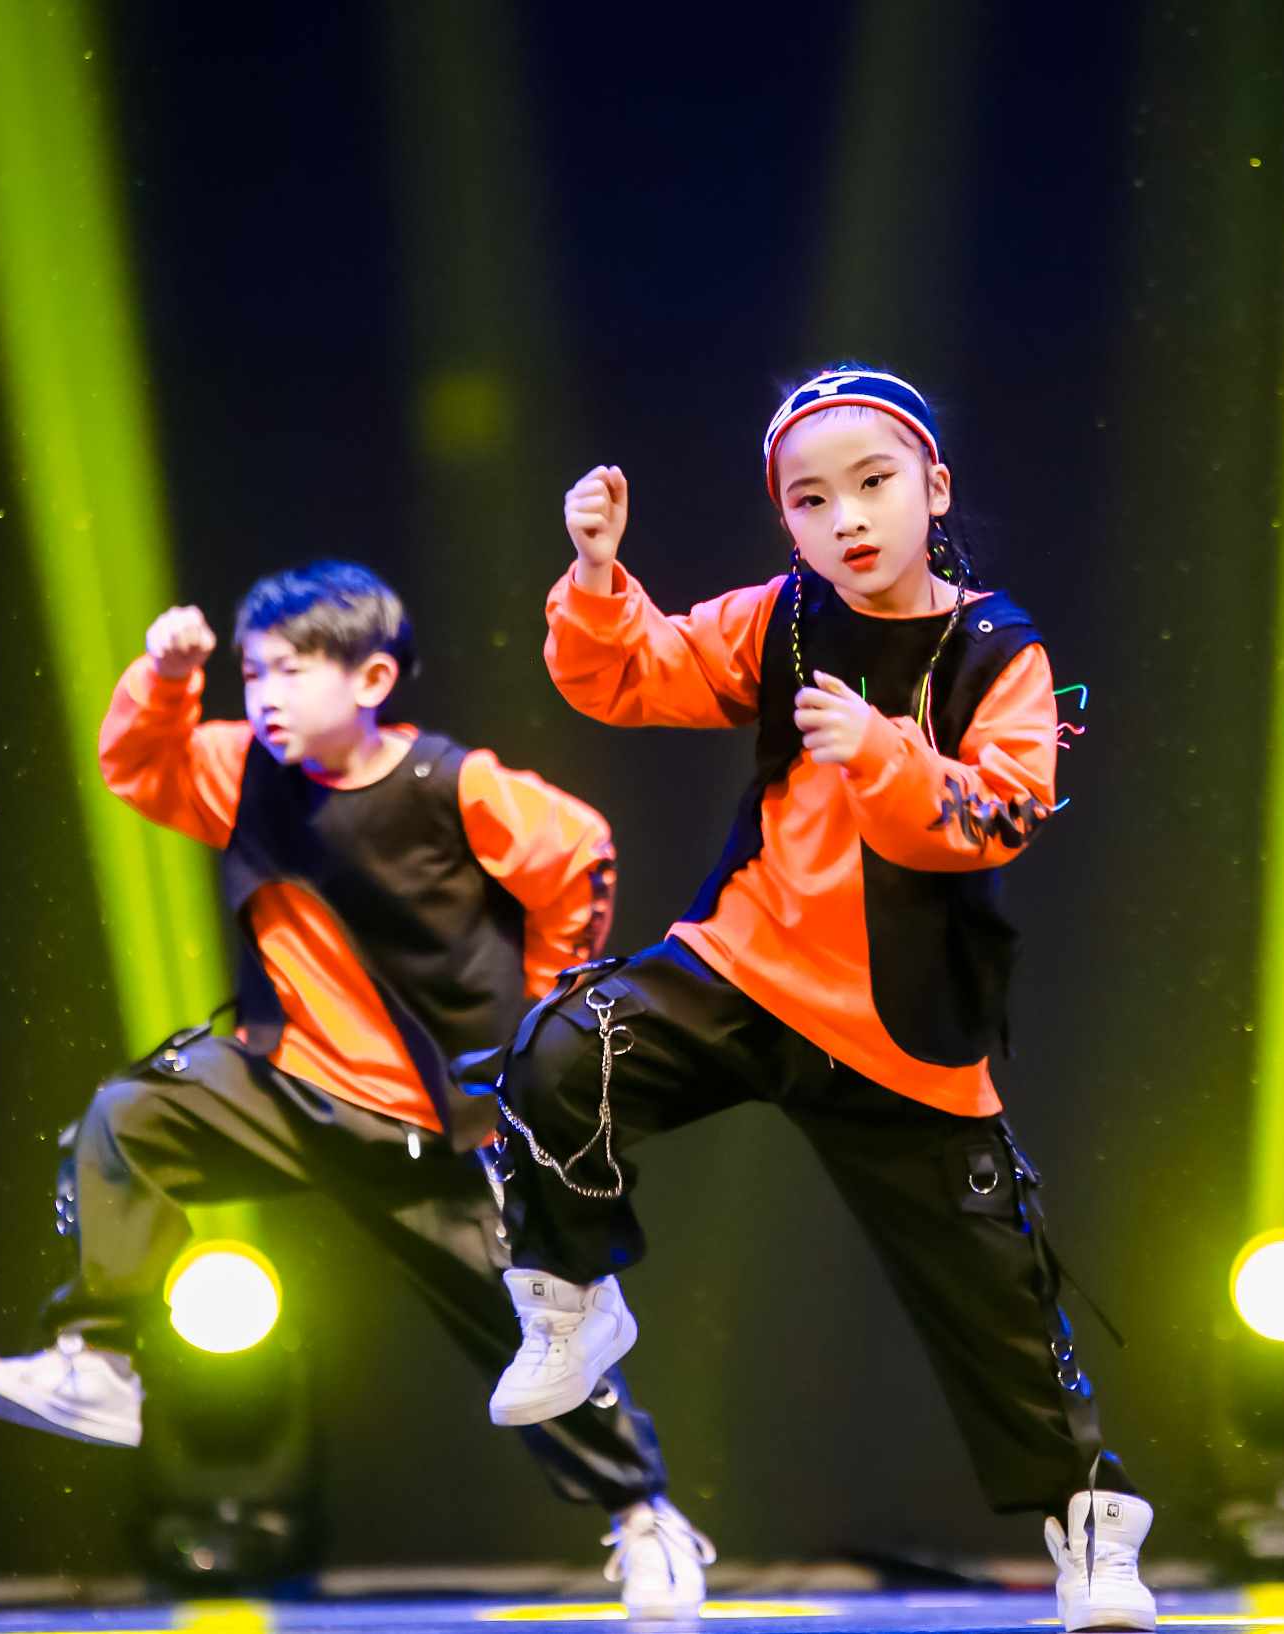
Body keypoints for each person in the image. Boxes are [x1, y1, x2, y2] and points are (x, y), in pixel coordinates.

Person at [485, 368, 1157, 1632]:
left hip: (899, 1030)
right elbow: (638, 671)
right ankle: (572, 1299)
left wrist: (882, 750)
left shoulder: (998, 646)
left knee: (996, 1307)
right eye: (810, 498)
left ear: (932, 489)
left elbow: (1003, 812)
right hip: (745, 969)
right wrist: (596, 574)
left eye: (872, 483)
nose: (844, 517)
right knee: (562, 1056)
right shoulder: (783, 616)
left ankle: (1090, 1526)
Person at [0, 561, 715, 1615]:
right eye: (254, 671)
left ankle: (642, 1514)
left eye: (291, 671)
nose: (264, 694)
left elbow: (577, 850)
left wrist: (541, 1015)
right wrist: (167, 679)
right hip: (283, 1084)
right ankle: (98, 1359)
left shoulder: (453, 785)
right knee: (126, 1118)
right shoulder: (241, 769)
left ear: (370, 679)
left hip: (428, 1125)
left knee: (534, 1340)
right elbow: (140, 766)